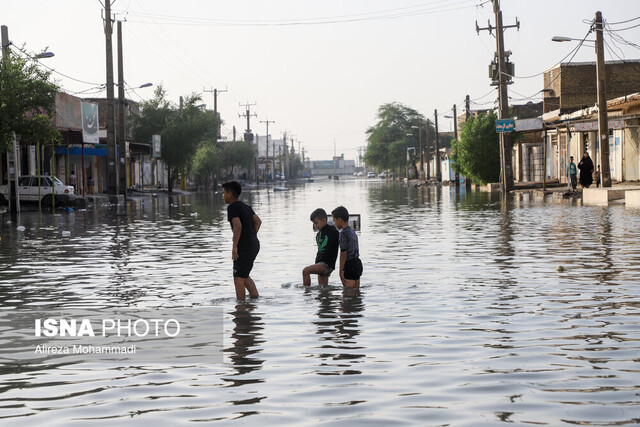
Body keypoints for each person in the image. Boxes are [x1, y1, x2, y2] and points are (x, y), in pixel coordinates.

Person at [222, 180, 262, 300]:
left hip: (244, 246)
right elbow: (258, 221)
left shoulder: (232, 207)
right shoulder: (246, 206)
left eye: (223, 193)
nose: (222, 196)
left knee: (238, 278)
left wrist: (235, 247)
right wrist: (251, 236)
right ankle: (254, 300)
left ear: (230, 194)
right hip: (254, 244)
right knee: (243, 275)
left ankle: (240, 308)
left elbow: (237, 226)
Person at [302, 208, 339, 286]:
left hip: (326, 264)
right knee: (322, 290)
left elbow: (340, 237)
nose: (315, 225)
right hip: (320, 263)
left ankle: (306, 295)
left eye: (316, 223)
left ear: (324, 220)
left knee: (306, 271)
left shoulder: (332, 231)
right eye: (313, 224)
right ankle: (325, 297)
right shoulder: (318, 235)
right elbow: (320, 250)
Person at [331, 206, 363, 288]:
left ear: (339, 220)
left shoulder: (343, 234)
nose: (334, 223)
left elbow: (343, 254)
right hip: (357, 263)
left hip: (349, 265)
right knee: (356, 293)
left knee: (347, 296)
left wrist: (340, 272)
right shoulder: (353, 232)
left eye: (334, 221)